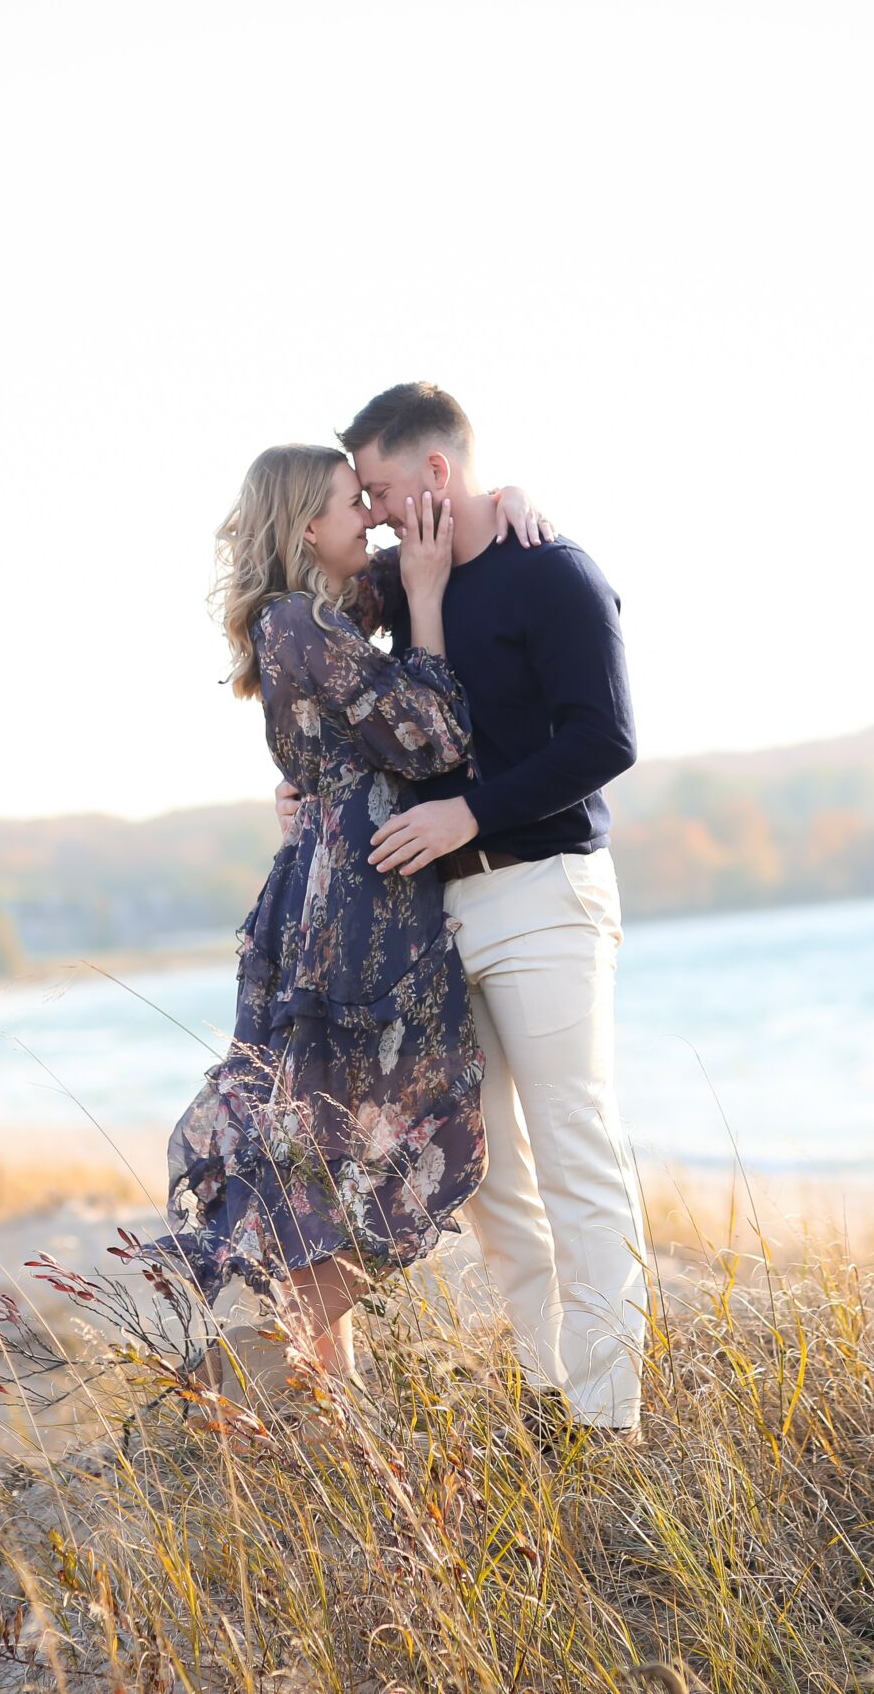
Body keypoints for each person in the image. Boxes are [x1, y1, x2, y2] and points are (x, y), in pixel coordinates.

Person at [280, 382, 649, 1436]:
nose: (380, 512)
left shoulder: (557, 573)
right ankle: (549, 1395)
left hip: (543, 897)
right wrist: (301, 781)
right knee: (485, 1170)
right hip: (436, 918)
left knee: (577, 1151)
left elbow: (605, 739)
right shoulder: (403, 581)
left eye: (386, 488)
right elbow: (322, 669)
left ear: (437, 472)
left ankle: (610, 1417)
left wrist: (466, 812)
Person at [160, 442, 549, 1388]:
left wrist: (505, 497)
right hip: (362, 905)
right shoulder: (297, 620)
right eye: (351, 504)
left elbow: (427, 542)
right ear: (305, 528)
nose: (369, 518)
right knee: (423, 1124)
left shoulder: (318, 612)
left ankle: (326, 1410)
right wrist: (423, 607)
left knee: (322, 1157)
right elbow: (435, 736)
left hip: (330, 889)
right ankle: (276, 1347)